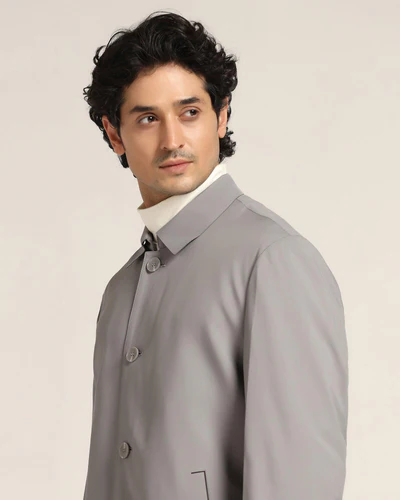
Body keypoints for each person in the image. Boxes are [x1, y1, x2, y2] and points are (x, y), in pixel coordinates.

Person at [82, 10, 348, 500]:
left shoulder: (272, 260)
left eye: (190, 112)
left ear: (221, 116)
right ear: (115, 133)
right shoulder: (120, 291)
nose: (173, 140)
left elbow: (297, 482)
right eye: (147, 118)